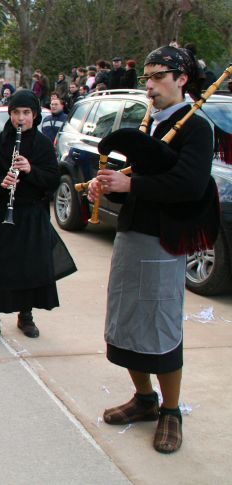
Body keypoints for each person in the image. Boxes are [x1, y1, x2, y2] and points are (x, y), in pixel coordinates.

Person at [87, 45, 212, 454]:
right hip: (131, 235)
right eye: (148, 77)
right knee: (126, 321)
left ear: (182, 79)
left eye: (159, 77)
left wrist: (132, 184)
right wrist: (109, 186)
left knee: (159, 324)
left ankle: (171, 411)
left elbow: (188, 186)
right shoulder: (152, 125)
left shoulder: (196, 126)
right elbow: (133, 189)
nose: (151, 86)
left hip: (164, 241)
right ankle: (144, 399)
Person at [0, 89, 74, 343]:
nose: (20, 118)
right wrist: (1, 183)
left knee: (29, 267)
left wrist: (30, 170)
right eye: (16, 112)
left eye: (26, 113)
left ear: (35, 115)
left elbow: (52, 180)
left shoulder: (41, 145)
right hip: (3, 215)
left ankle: (25, 315)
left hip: (31, 215)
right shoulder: (0, 143)